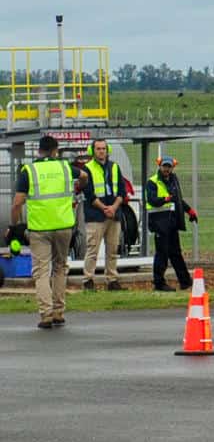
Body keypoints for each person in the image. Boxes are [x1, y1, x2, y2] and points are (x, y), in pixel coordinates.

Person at [11, 135, 78, 328]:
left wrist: (14, 226)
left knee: (41, 271)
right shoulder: (65, 167)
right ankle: (58, 311)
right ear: (56, 150)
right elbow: (83, 177)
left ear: (39, 150)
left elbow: (17, 203)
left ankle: (46, 314)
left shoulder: (29, 171)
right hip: (64, 226)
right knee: (59, 267)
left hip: (40, 229)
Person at [79, 139, 131, 291]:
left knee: (113, 249)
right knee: (92, 250)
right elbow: (88, 193)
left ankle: (112, 280)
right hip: (95, 215)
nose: (101, 151)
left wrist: (113, 208)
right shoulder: (87, 169)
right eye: (98, 149)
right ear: (92, 151)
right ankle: (88, 280)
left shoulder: (114, 167)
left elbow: (122, 191)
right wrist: (104, 208)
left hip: (113, 215)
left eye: (103, 148)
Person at [145, 155, 197, 291]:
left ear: (172, 167)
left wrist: (189, 210)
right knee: (162, 253)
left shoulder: (174, 180)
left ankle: (185, 281)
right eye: (164, 166)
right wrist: (166, 199)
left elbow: (178, 199)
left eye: (169, 166)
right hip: (159, 223)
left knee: (175, 253)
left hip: (172, 223)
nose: (166, 169)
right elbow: (152, 200)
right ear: (159, 166)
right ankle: (159, 283)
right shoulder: (152, 182)